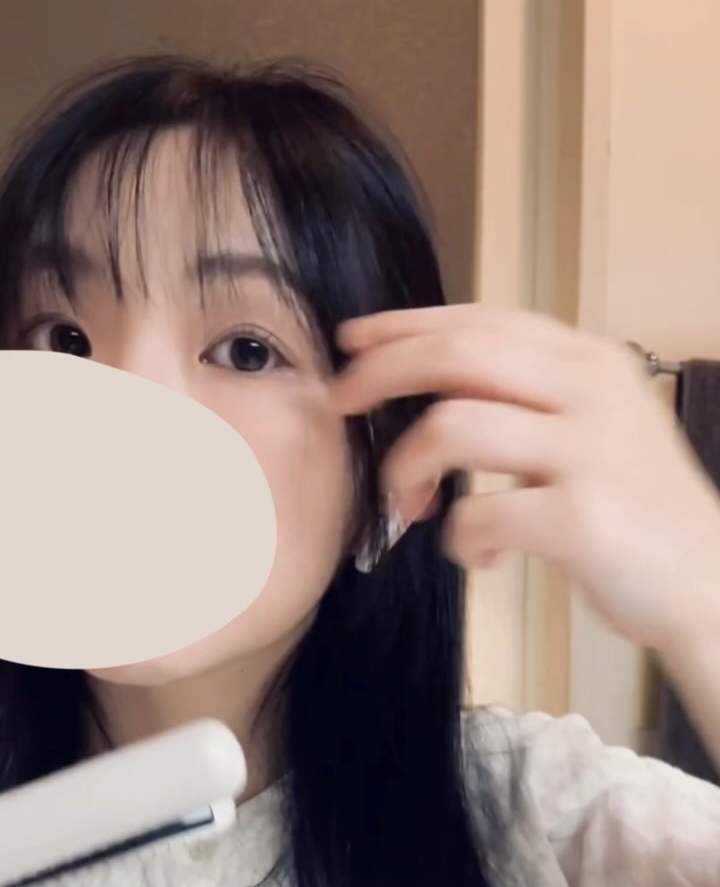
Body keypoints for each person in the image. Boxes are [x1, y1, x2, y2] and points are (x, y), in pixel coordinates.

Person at [0, 54, 719, 887]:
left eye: (246, 349)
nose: (123, 407)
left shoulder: (540, 817)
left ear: (390, 487)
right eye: (62, 338)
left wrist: (701, 595)